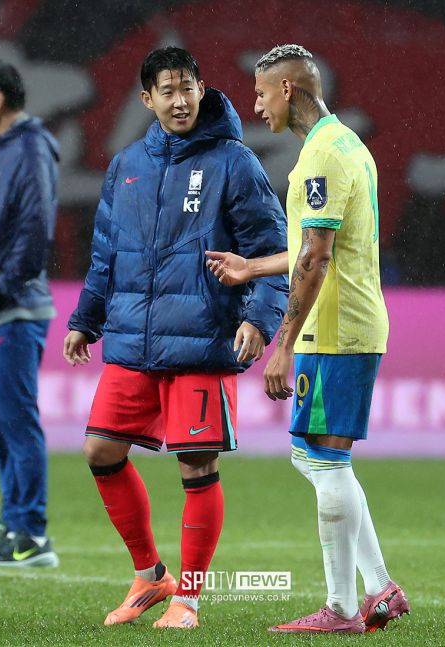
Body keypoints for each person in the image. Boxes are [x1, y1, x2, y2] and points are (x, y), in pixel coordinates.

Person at [63, 46, 287, 630]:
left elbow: (272, 251)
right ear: (148, 99)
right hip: (133, 338)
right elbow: (106, 253)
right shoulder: (126, 164)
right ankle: (149, 574)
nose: (180, 100)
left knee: (195, 464)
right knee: (100, 451)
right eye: (167, 91)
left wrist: (258, 320)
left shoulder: (234, 161)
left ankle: (188, 598)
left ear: (201, 89)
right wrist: (85, 319)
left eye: (188, 88)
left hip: (202, 340)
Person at [206, 44, 409, 634]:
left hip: (335, 330)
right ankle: (379, 587)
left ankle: (343, 609)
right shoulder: (346, 144)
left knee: (324, 458)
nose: (256, 105)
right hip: (346, 323)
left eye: (260, 93)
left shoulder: (321, 157)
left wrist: (284, 342)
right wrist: (250, 267)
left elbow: (316, 258)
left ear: (287, 90)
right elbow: (311, 246)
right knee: (315, 457)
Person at [0, 59, 59, 567]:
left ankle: (31, 535)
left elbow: (35, 228)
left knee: (14, 426)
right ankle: (4, 527)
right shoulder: (0, 152)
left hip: (13, 309)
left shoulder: (30, 148)